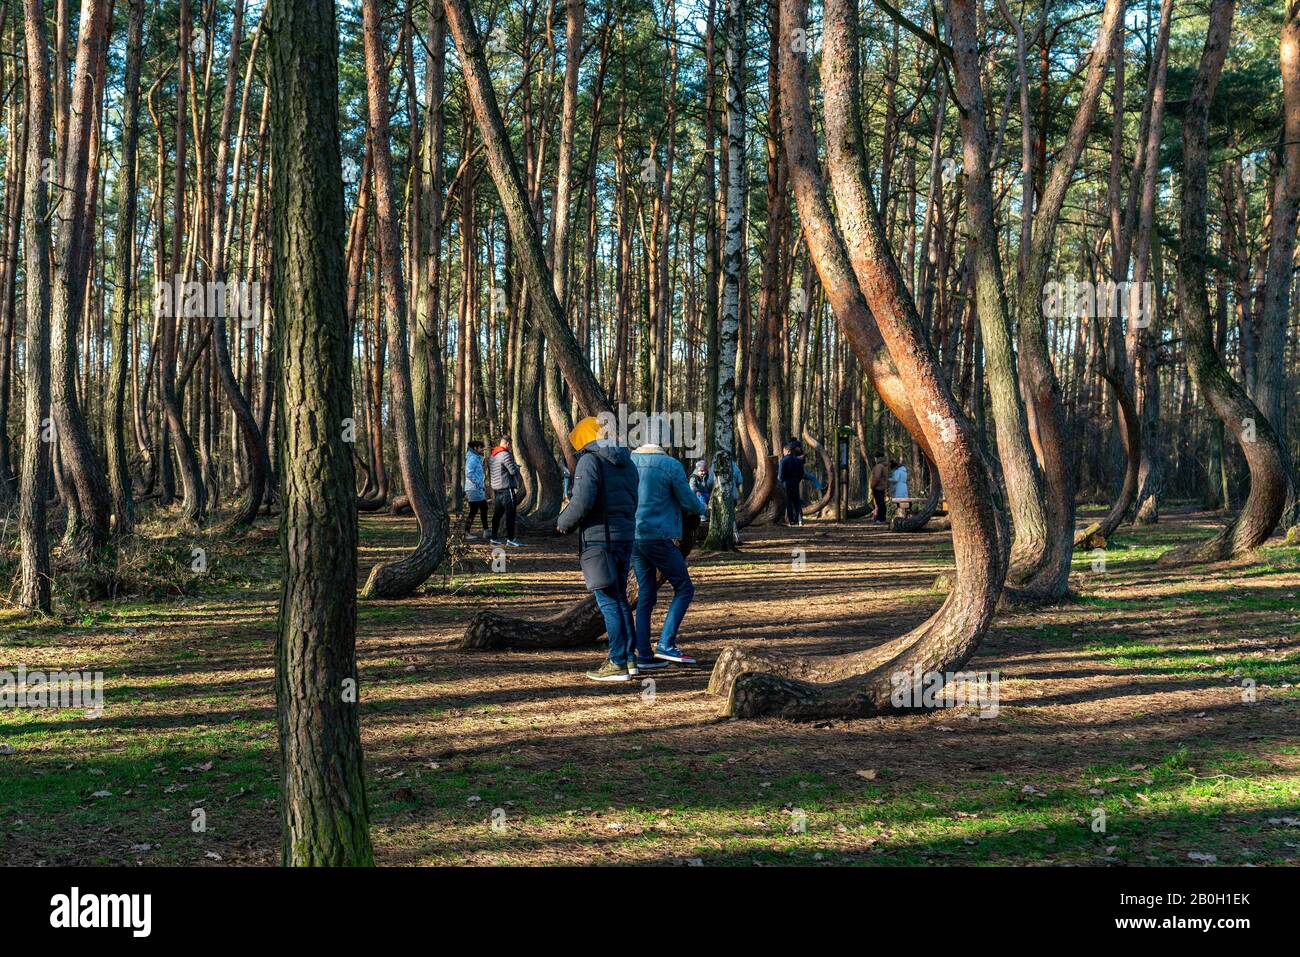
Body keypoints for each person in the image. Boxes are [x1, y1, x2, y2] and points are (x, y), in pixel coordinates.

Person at [557, 417, 641, 682]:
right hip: (625, 537)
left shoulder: (590, 461)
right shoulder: (627, 461)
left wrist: (563, 523)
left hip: (598, 540)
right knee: (620, 599)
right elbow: (633, 498)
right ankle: (629, 659)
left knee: (608, 601)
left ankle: (616, 662)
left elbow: (582, 501)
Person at [631, 423, 709, 667]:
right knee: (685, 587)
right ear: (665, 442)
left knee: (646, 593)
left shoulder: (630, 461)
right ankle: (666, 644)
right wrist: (703, 509)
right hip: (658, 536)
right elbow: (688, 501)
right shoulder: (670, 465)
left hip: (633, 536)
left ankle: (643, 653)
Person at [489, 436, 524, 547]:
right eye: (510, 444)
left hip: (497, 489)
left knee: (497, 514)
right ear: (507, 443)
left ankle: (493, 537)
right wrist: (517, 467)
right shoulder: (505, 455)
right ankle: (511, 539)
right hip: (507, 488)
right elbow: (512, 471)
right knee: (511, 514)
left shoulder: (493, 455)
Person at [778, 440, 806, 526]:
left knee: (789, 502)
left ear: (787, 451)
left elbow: (781, 474)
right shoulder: (798, 460)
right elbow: (802, 473)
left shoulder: (783, 460)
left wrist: (782, 481)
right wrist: (797, 480)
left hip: (787, 484)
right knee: (797, 502)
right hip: (795, 483)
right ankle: (800, 520)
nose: (783, 453)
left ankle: (790, 521)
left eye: (784, 451)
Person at [464, 440, 488, 538]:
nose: (483, 449)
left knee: (483, 508)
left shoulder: (476, 458)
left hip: (477, 488)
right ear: (475, 448)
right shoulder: (472, 458)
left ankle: (486, 531)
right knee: (474, 510)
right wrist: (478, 483)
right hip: (473, 489)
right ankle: (466, 532)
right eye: (481, 447)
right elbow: (469, 473)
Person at [869, 452, 889, 524]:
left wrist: (872, 485)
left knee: (879, 503)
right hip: (882, 487)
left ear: (877, 458)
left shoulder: (879, 466)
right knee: (881, 503)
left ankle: (879, 519)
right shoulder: (885, 466)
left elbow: (877, 477)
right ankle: (882, 518)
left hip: (877, 487)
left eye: (875, 458)